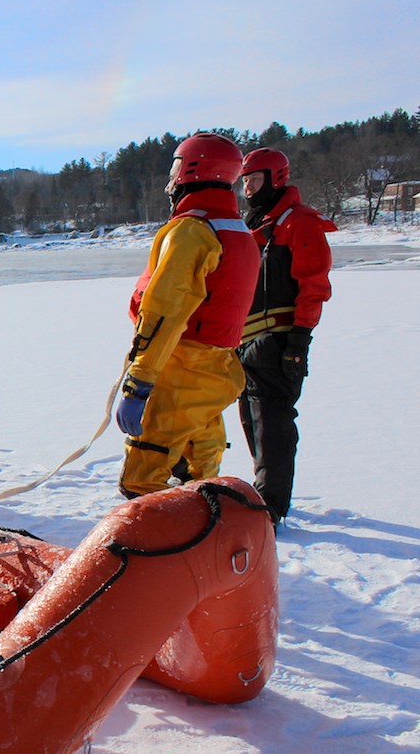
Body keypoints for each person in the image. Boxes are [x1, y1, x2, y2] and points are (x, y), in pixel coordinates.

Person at [115, 133, 261, 498]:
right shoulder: (239, 232)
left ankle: (154, 535)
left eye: (174, 172)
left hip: (181, 371)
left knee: (143, 478)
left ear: (191, 171)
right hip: (217, 373)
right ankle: (209, 530)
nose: (170, 184)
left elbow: (164, 312)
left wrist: (139, 382)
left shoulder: (192, 231)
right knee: (201, 473)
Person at [237, 148, 336, 524]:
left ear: (276, 178)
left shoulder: (298, 223)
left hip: (278, 343)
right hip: (245, 344)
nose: (248, 187)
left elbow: (314, 286)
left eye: (255, 179)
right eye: (245, 180)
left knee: (272, 424)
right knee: (251, 421)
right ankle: (264, 493)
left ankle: (271, 507)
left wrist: (298, 343)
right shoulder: (255, 225)